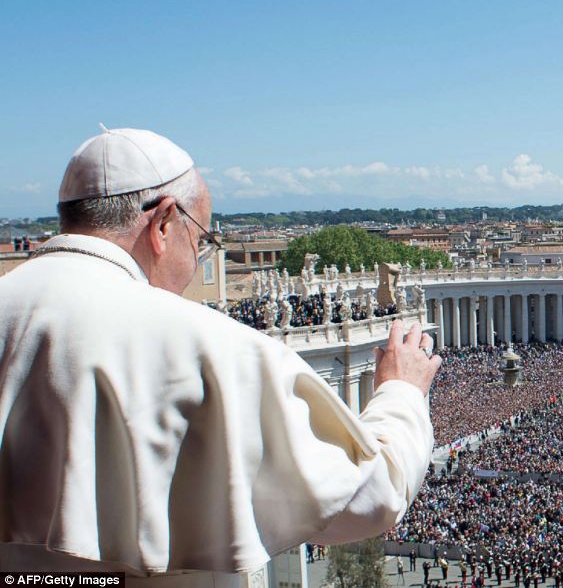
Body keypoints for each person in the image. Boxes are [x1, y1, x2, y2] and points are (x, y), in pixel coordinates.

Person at [0, 127, 441, 585]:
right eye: (200, 241)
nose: (196, 262)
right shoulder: (215, 349)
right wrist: (401, 393)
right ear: (164, 223)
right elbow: (369, 496)